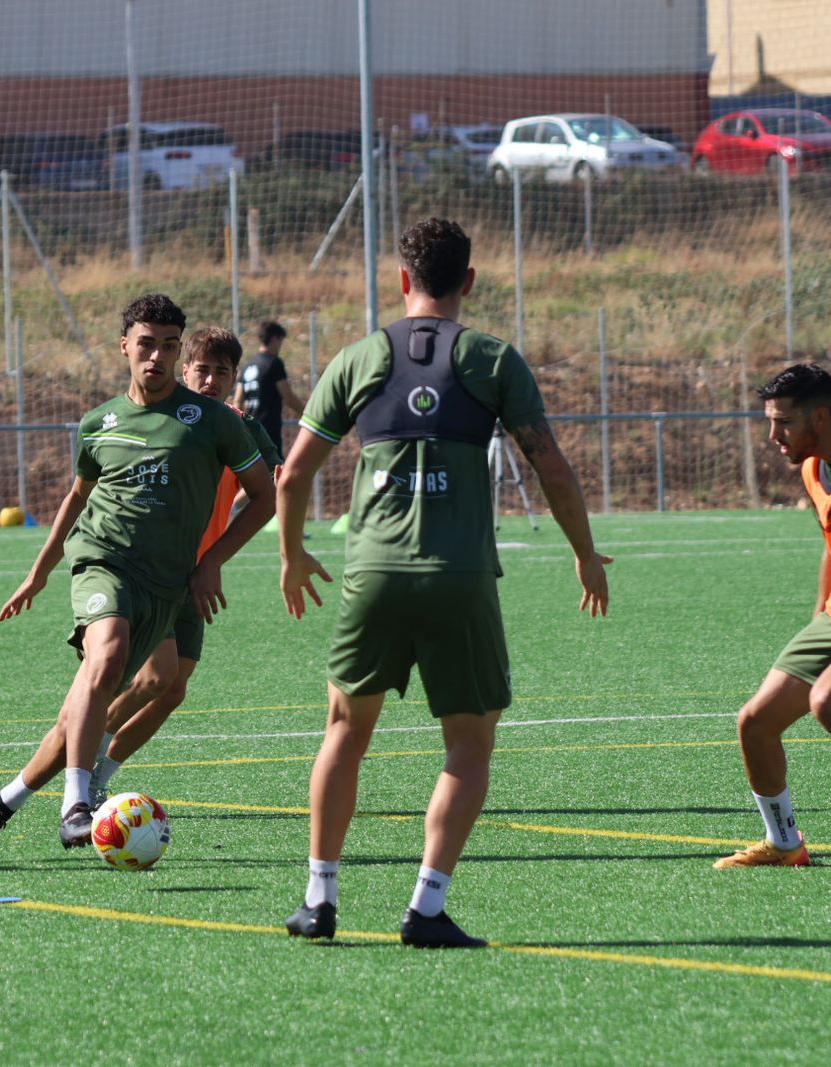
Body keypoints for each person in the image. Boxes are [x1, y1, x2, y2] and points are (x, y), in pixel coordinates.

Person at [275, 217, 610, 947]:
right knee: (469, 743)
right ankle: (426, 907)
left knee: (345, 731)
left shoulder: (358, 357)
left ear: (402, 279)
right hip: (460, 576)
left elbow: (293, 473)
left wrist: (292, 554)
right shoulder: (492, 359)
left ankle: (319, 899)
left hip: (371, 573)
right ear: (470, 281)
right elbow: (551, 466)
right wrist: (584, 552)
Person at [0, 295, 275, 856]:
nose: (157, 356)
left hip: (170, 580)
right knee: (107, 657)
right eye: (146, 344)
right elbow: (77, 499)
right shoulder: (98, 423)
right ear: (124, 346)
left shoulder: (217, 422)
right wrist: (39, 573)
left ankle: (4, 802)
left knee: (114, 699)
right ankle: (77, 805)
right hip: (103, 560)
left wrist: (212, 562)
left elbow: (266, 498)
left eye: (168, 346)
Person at [87, 326, 282, 805]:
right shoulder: (163, 419)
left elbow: (269, 487)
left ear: (234, 378)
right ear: (185, 369)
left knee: (173, 691)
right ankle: (79, 748)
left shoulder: (237, 425)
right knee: (158, 676)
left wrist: (218, 546)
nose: (211, 381)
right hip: (152, 569)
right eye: (203, 370)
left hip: (195, 575)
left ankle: (98, 777)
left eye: (222, 373)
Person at [713, 362, 831, 869]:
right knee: (755, 722)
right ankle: (785, 843)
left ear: (818, 418)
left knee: (829, 701)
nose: (774, 436)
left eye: (783, 423)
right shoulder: (814, 467)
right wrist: (820, 617)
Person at [233, 320, 302, 451]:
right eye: (280, 342)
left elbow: (237, 401)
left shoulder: (248, 366)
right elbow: (288, 397)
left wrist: (239, 428)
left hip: (250, 431)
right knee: (273, 463)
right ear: (274, 339)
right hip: (268, 432)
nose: (280, 347)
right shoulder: (274, 363)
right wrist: (307, 415)